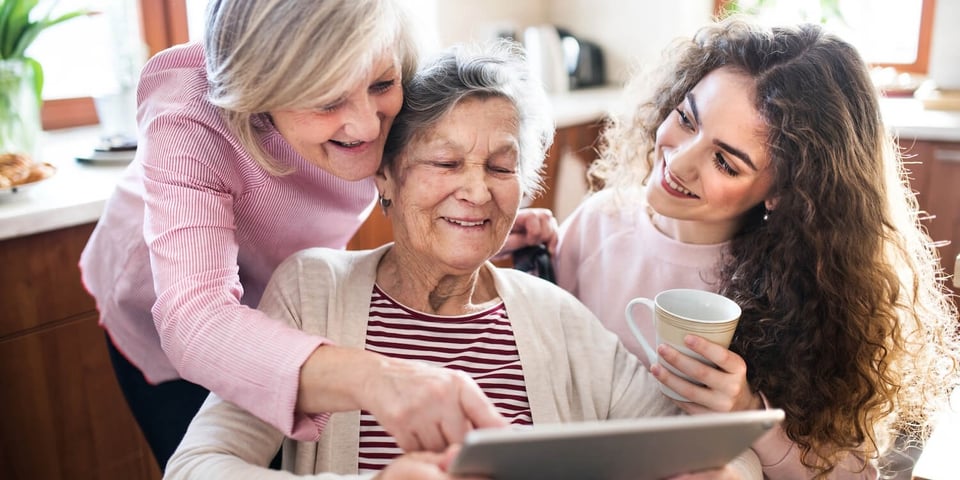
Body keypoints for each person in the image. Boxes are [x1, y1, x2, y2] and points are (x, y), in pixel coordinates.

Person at [164, 41, 761, 480]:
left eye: (501, 168)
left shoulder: (556, 317)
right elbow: (196, 466)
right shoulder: (314, 290)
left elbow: (719, 453)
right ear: (386, 177)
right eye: (446, 164)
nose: (478, 191)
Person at [78, 0, 554, 470]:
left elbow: (428, 163)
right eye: (328, 100)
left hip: (291, 292)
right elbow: (194, 321)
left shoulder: (388, 54)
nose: (369, 125)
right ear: (260, 91)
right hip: (165, 312)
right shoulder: (188, 106)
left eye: (382, 85)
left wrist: (471, 221)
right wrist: (379, 380)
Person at [555, 16, 960, 479]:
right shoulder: (597, 224)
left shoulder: (815, 290)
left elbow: (852, 475)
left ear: (784, 192)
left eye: (725, 162)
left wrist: (750, 415)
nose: (679, 162)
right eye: (687, 119)